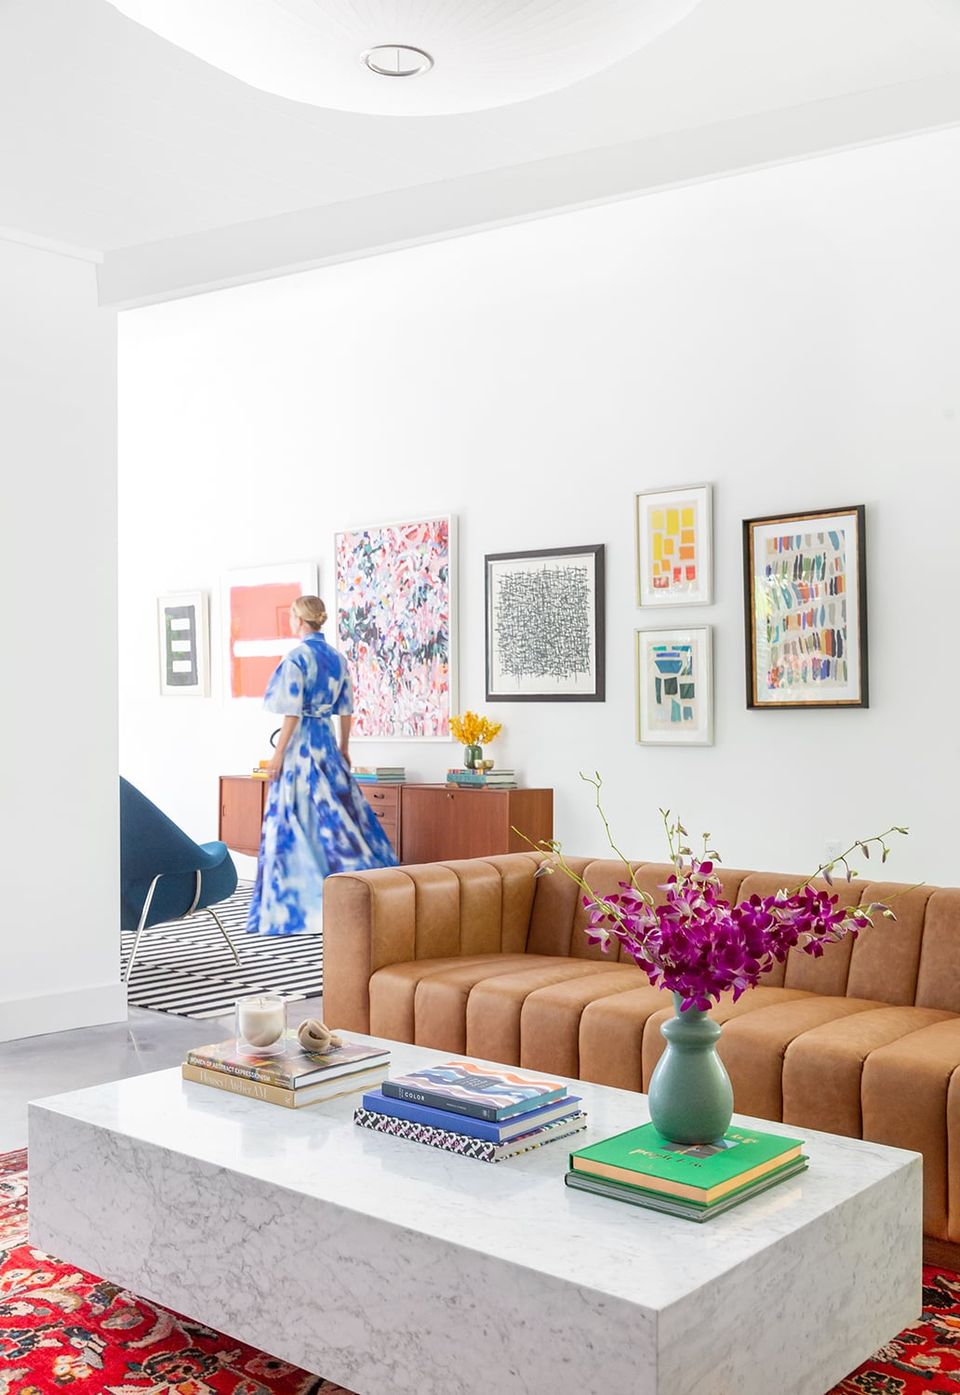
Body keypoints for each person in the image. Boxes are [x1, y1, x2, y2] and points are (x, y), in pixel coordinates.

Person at [246, 595, 397, 936]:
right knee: (338, 814)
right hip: (327, 742)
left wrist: (278, 754)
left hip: (302, 745)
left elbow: (292, 713)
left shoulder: (297, 658)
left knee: (295, 815)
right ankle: (360, 889)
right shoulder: (336, 659)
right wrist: (344, 748)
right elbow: (346, 709)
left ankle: (303, 902)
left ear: (299, 620)